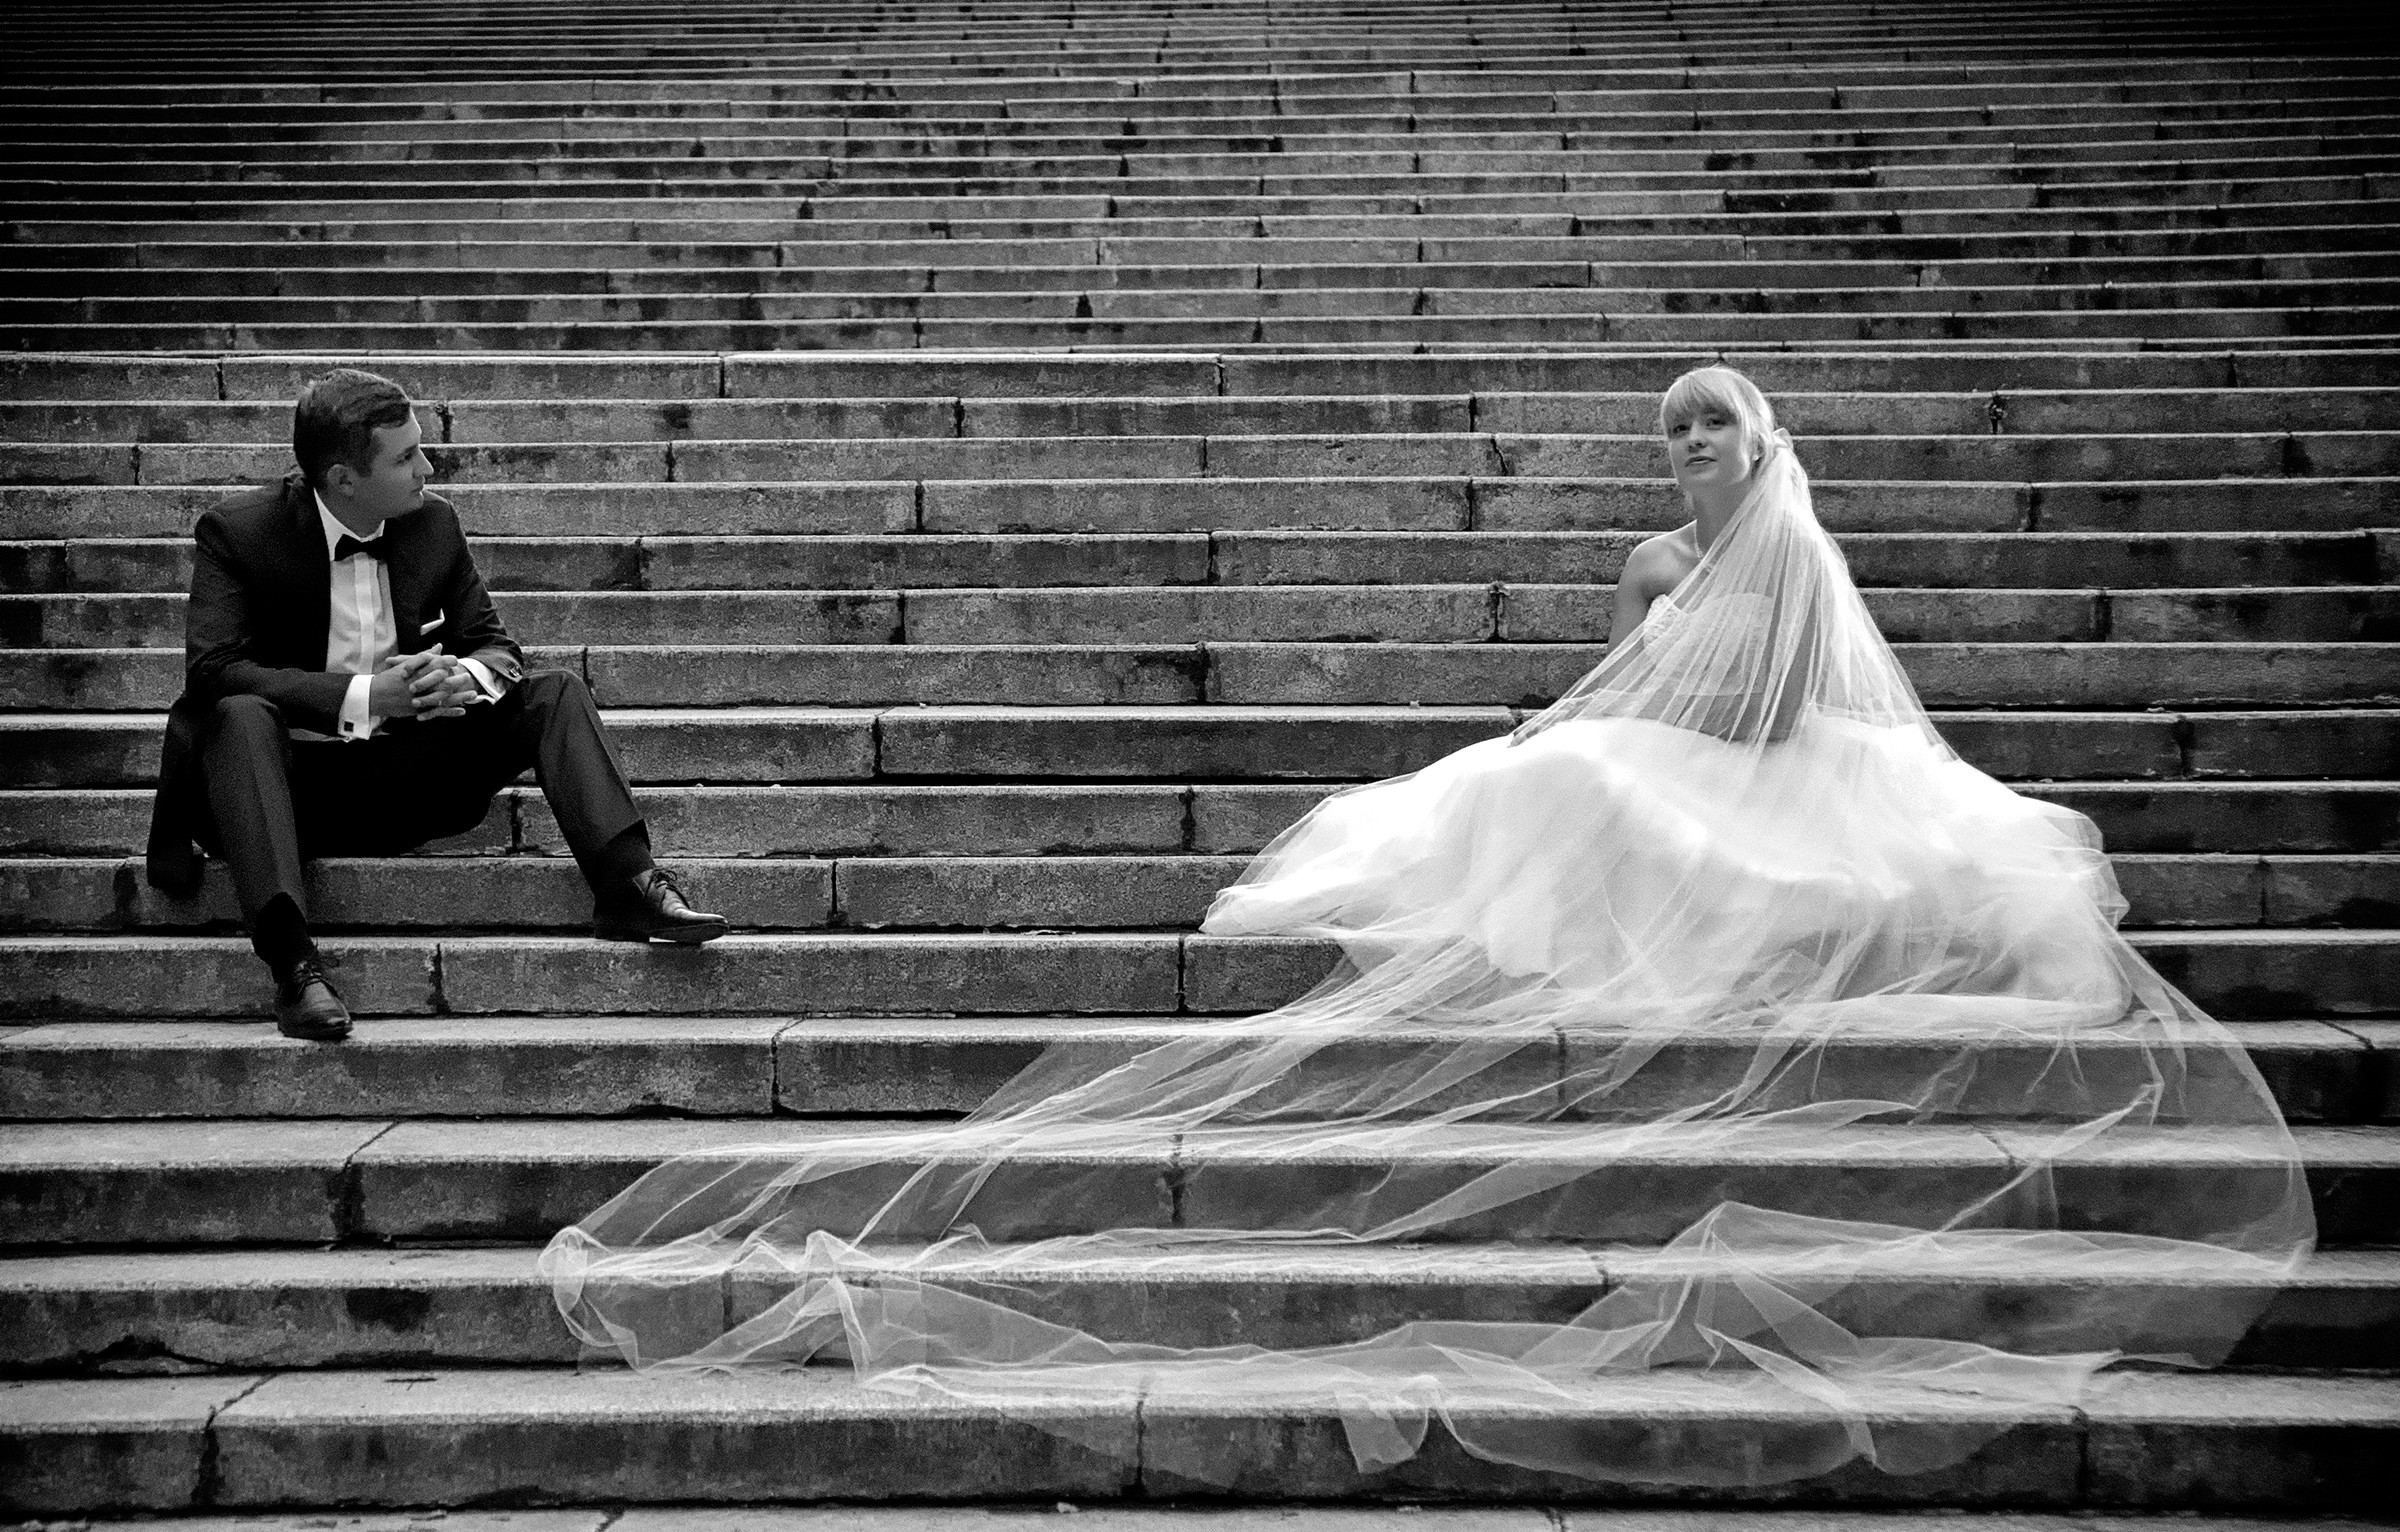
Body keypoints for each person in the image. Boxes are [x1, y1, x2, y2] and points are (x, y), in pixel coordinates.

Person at [538, 367, 2307, 1489]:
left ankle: (1607, 901)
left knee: (1592, 776)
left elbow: (1771, 716)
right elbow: (1618, 682)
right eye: (1673, 428)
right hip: (1670, 750)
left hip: (1786, 776)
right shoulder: (1651, 560)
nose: (1690, 447)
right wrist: (1582, 718)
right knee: (1544, 765)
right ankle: (1544, 892)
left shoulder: (1793, 558)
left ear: (1759, 437)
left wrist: (1626, 726)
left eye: (1712, 423)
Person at [145, 367, 726, 1041]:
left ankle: (630, 888)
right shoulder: (239, 532)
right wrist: (368, 696)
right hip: (285, 793)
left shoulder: (433, 524)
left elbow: (497, 648)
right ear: (343, 479)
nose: (428, 468)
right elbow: (213, 672)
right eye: (406, 457)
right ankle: (294, 966)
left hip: (404, 782)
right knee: (239, 713)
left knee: (554, 691)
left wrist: (463, 678)